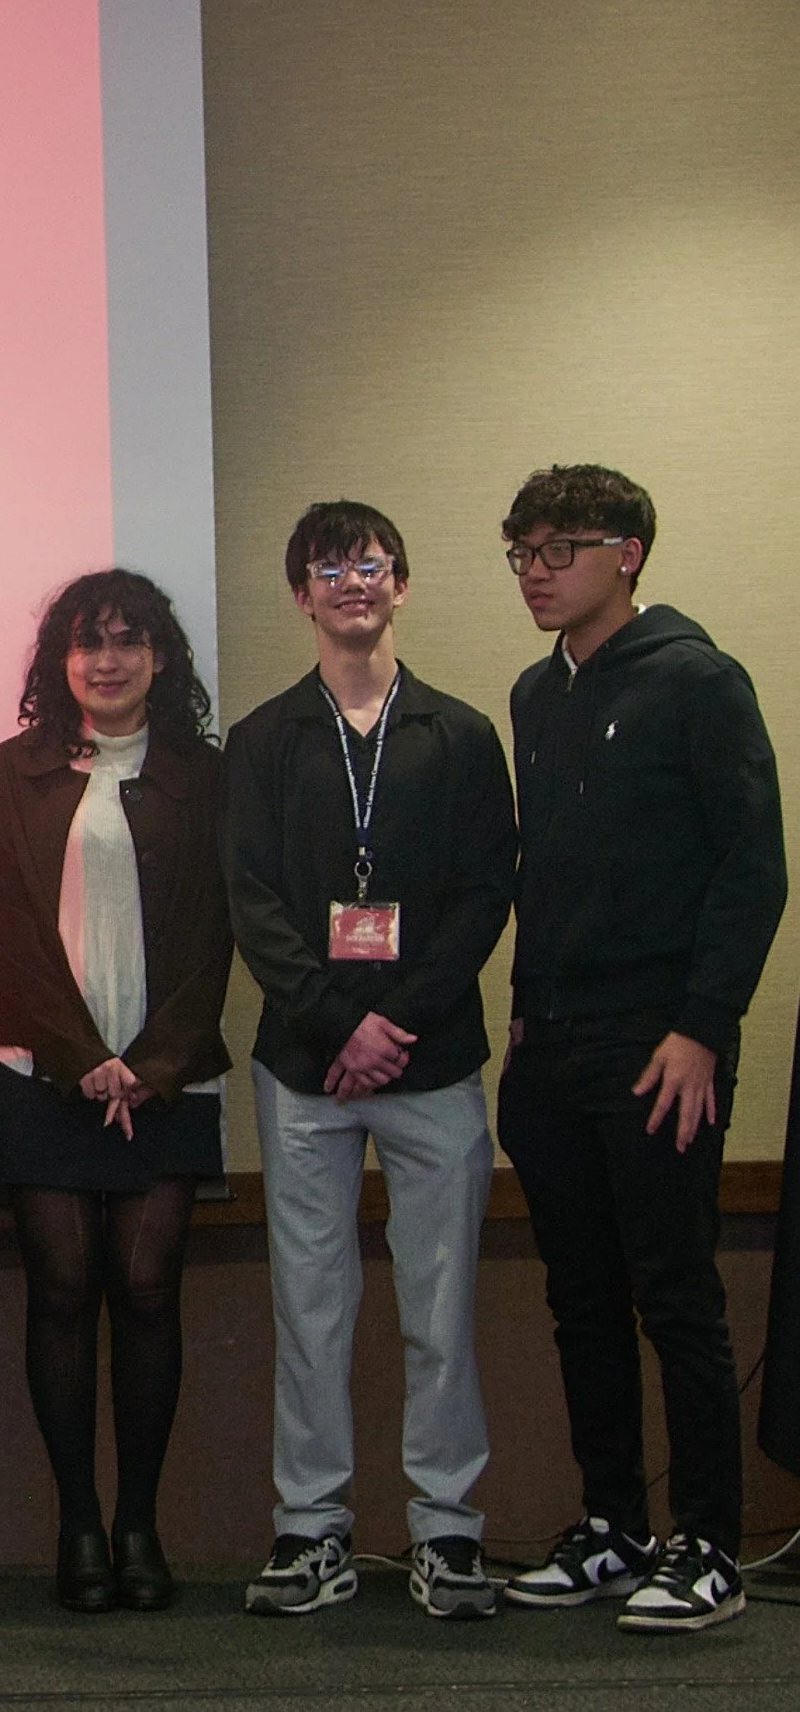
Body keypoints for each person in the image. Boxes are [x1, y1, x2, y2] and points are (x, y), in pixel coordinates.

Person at [494, 465, 785, 1633]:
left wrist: (704, 1029)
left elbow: (752, 869)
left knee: (675, 1295)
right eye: (519, 550)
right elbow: (547, 875)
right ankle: (613, 1523)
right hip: (551, 1040)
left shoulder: (699, 681)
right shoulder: (533, 694)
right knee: (579, 1297)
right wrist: (521, 1007)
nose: (535, 571)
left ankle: (708, 1542)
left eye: (558, 549)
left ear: (628, 553)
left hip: (661, 1042)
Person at [223, 502, 516, 1621]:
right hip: (305, 1067)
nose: (353, 581)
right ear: (301, 593)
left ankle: (446, 1531)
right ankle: (314, 1530)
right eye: (329, 567)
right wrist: (339, 1023)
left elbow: (489, 891)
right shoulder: (262, 741)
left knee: (440, 1307)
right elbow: (255, 902)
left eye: (372, 563)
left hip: (433, 1059)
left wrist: (392, 1019)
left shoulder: (460, 733)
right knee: (312, 1305)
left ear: (402, 584)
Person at [0, 572, 230, 1615]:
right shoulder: (9, 776)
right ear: (59, 663)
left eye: (129, 642)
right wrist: (83, 1056)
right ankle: (79, 1522)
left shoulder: (204, 779)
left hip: (168, 1071)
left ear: (161, 658)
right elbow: (13, 933)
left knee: (153, 1290)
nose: (108, 661)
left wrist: (152, 1063)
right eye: (88, 644)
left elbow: (218, 933)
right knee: (64, 1294)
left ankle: (140, 1526)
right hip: (44, 1071)